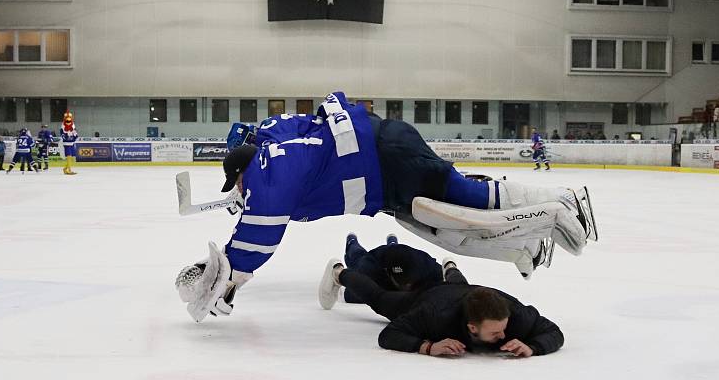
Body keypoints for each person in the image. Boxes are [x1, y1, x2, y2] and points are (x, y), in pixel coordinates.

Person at [175, 92, 597, 322]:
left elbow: (263, 224)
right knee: (445, 228)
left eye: (239, 182)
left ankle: (563, 201)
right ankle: (525, 247)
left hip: (385, 158)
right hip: (380, 171)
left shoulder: (271, 166)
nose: (241, 191)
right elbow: (267, 203)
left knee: (463, 198)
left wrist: (227, 274)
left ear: (248, 166)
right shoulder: (274, 139)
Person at [319, 247, 564, 357]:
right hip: (428, 296)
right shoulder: (434, 314)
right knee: (379, 298)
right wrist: (427, 346)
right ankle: (339, 272)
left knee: (460, 285)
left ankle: (451, 268)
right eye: (495, 332)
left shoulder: (515, 317)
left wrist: (534, 347)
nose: (504, 335)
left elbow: (553, 332)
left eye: (503, 328)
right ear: (472, 327)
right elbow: (389, 335)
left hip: (468, 291)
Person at [320, 232, 466, 309]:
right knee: (356, 257)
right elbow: (352, 291)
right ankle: (352, 241)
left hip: (405, 258)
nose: (406, 286)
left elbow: (450, 286)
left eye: (408, 281)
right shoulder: (371, 268)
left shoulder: (427, 266)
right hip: (379, 259)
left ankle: (393, 243)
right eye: (402, 282)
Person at [60, 111, 78, 175]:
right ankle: (69, 170)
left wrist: (75, 136)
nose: (68, 119)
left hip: (72, 142)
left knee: (72, 157)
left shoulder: (73, 124)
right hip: (67, 143)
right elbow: (62, 133)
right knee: (69, 156)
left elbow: (75, 131)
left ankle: (65, 168)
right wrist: (65, 136)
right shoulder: (63, 125)